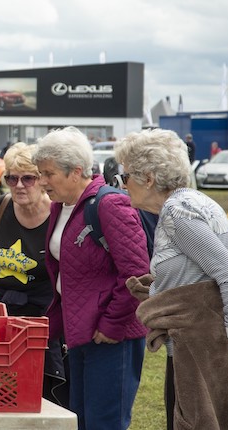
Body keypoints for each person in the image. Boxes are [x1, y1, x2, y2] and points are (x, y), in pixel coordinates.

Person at [115, 128, 228, 430]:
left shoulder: (177, 213)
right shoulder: (194, 201)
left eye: (125, 177)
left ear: (148, 178)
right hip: (197, 349)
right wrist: (158, 288)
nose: (123, 185)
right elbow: (198, 273)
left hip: (199, 353)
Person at [32, 126, 148, 430]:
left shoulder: (110, 204)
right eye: (40, 174)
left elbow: (138, 274)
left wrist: (111, 325)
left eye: (48, 174)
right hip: (81, 332)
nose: (42, 182)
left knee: (104, 423)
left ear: (76, 172)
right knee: (80, 420)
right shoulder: (60, 207)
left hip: (112, 337)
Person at [0, 142, 67, 407]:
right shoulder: (2, 207)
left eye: (28, 178)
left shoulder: (58, 215)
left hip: (44, 320)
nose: (19, 185)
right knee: (0, 394)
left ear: (42, 180)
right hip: (4, 314)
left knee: (41, 397)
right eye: (12, 178)